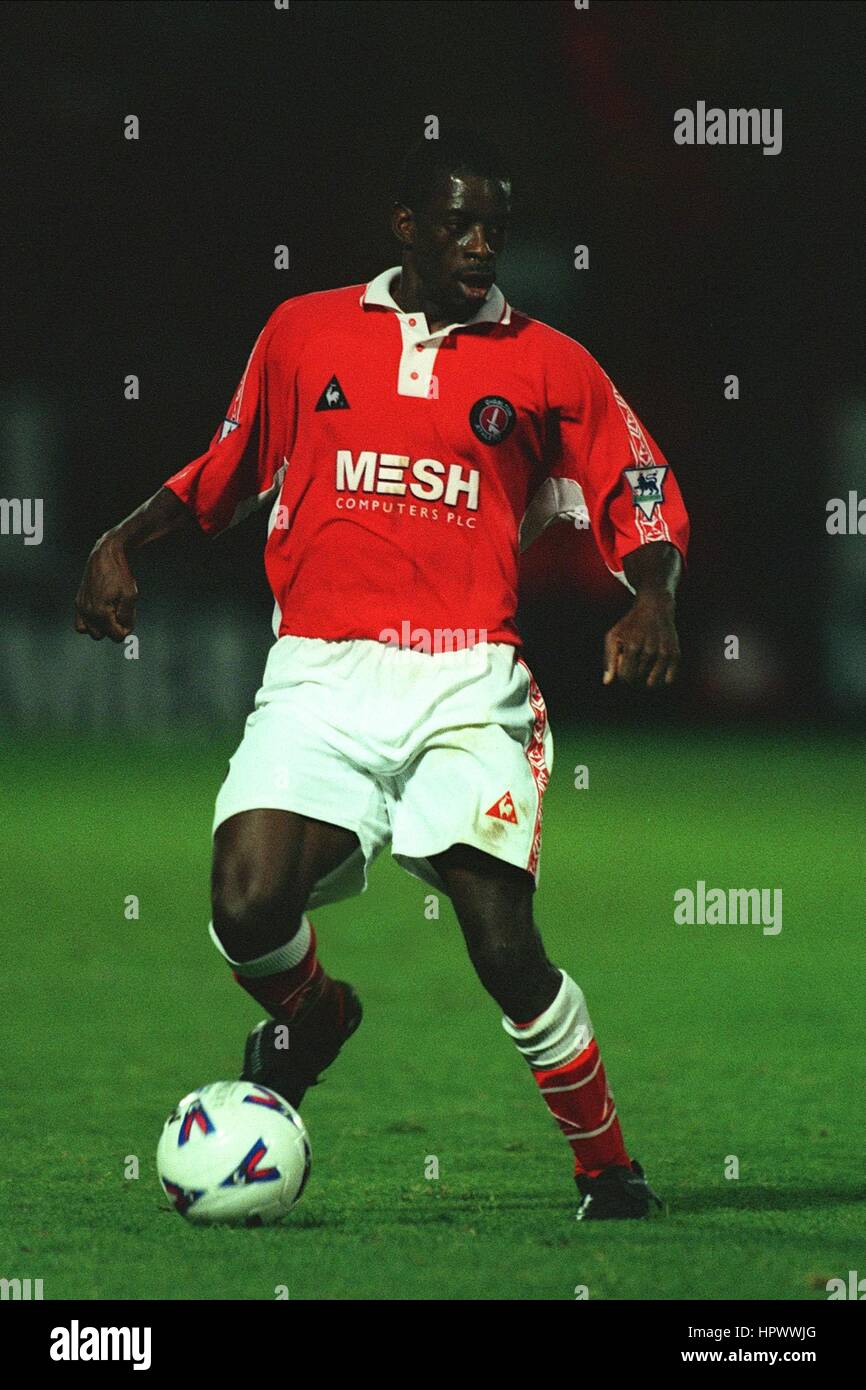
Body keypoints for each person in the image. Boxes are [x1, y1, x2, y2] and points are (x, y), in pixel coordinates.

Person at [74, 131, 689, 1220]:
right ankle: (314, 1014)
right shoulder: (302, 331)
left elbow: (636, 486)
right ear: (404, 226)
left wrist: (652, 595)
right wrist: (119, 538)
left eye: (496, 222)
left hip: (464, 679)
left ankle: (607, 1166)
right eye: (459, 221)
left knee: (501, 946)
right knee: (243, 903)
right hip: (318, 670)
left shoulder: (549, 361)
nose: (482, 241)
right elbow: (222, 469)